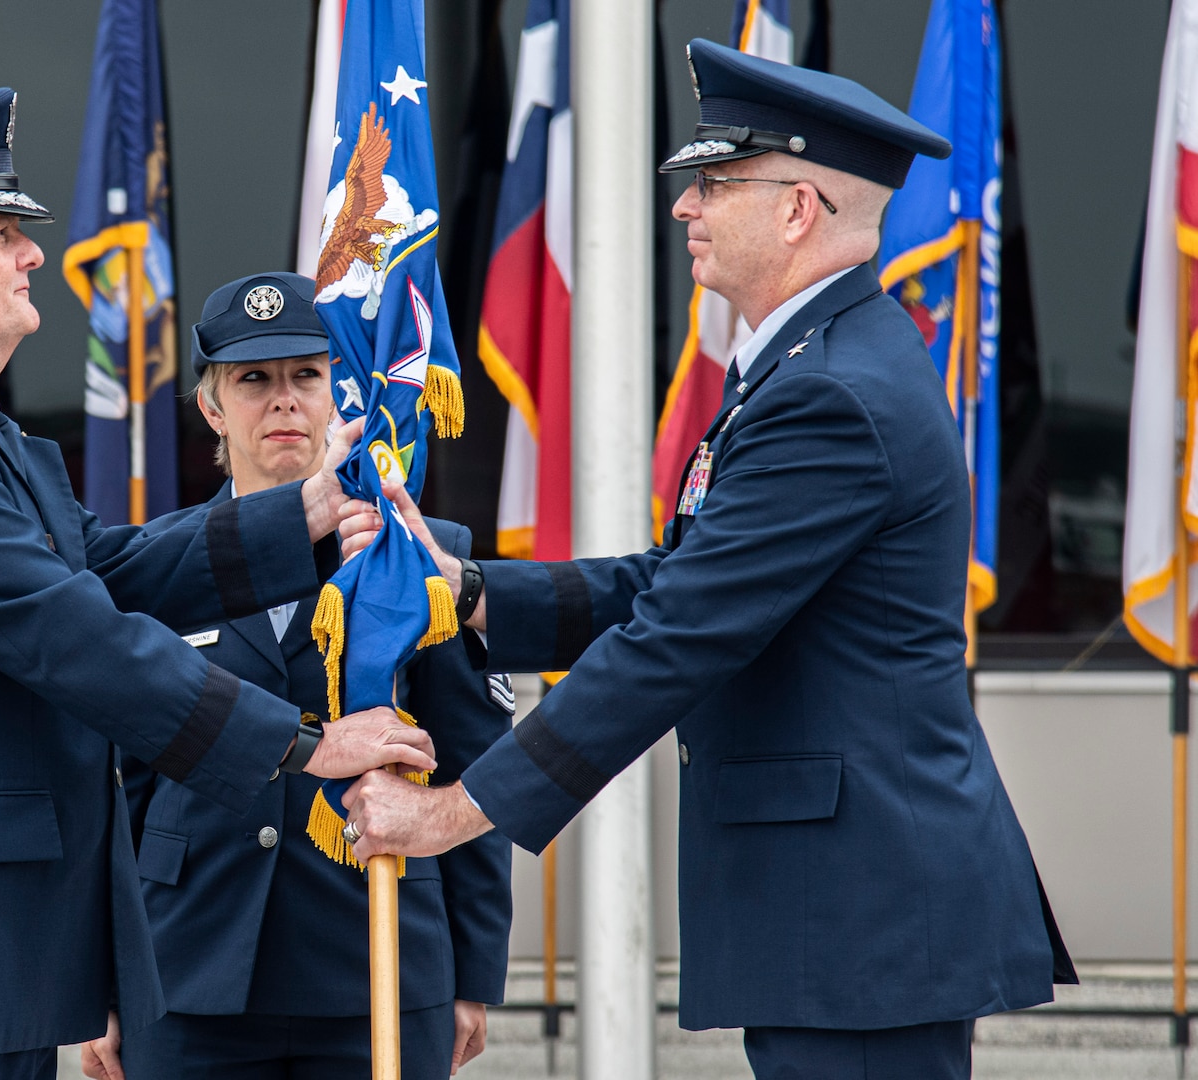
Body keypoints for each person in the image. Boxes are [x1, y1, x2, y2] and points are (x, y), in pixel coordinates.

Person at [340, 40, 1076, 1080]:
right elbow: (672, 587)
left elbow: (676, 641)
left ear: (796, 209)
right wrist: (464, 595)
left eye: (716, 182)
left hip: (862, 924)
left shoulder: (829, 393)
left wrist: (452, 816)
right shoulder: (813, 364)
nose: (685, 206)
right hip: (847, 918)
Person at [0, 90, 436, 1080]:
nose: (33, 253)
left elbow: (108, 572)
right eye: (1, 233)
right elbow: (71, 633)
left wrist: (302, 514)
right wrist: (306, 742)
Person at [77, 273, 512, 1080]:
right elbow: (118, 780)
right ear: (211, 407)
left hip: (373, 957)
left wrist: (474, 971)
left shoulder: (415, 552)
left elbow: (470, 762)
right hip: (189, 966)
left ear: (335, 390)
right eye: (253, 380)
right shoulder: (152, 566)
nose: (283, 401)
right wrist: (103, 977)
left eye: (305, 376)